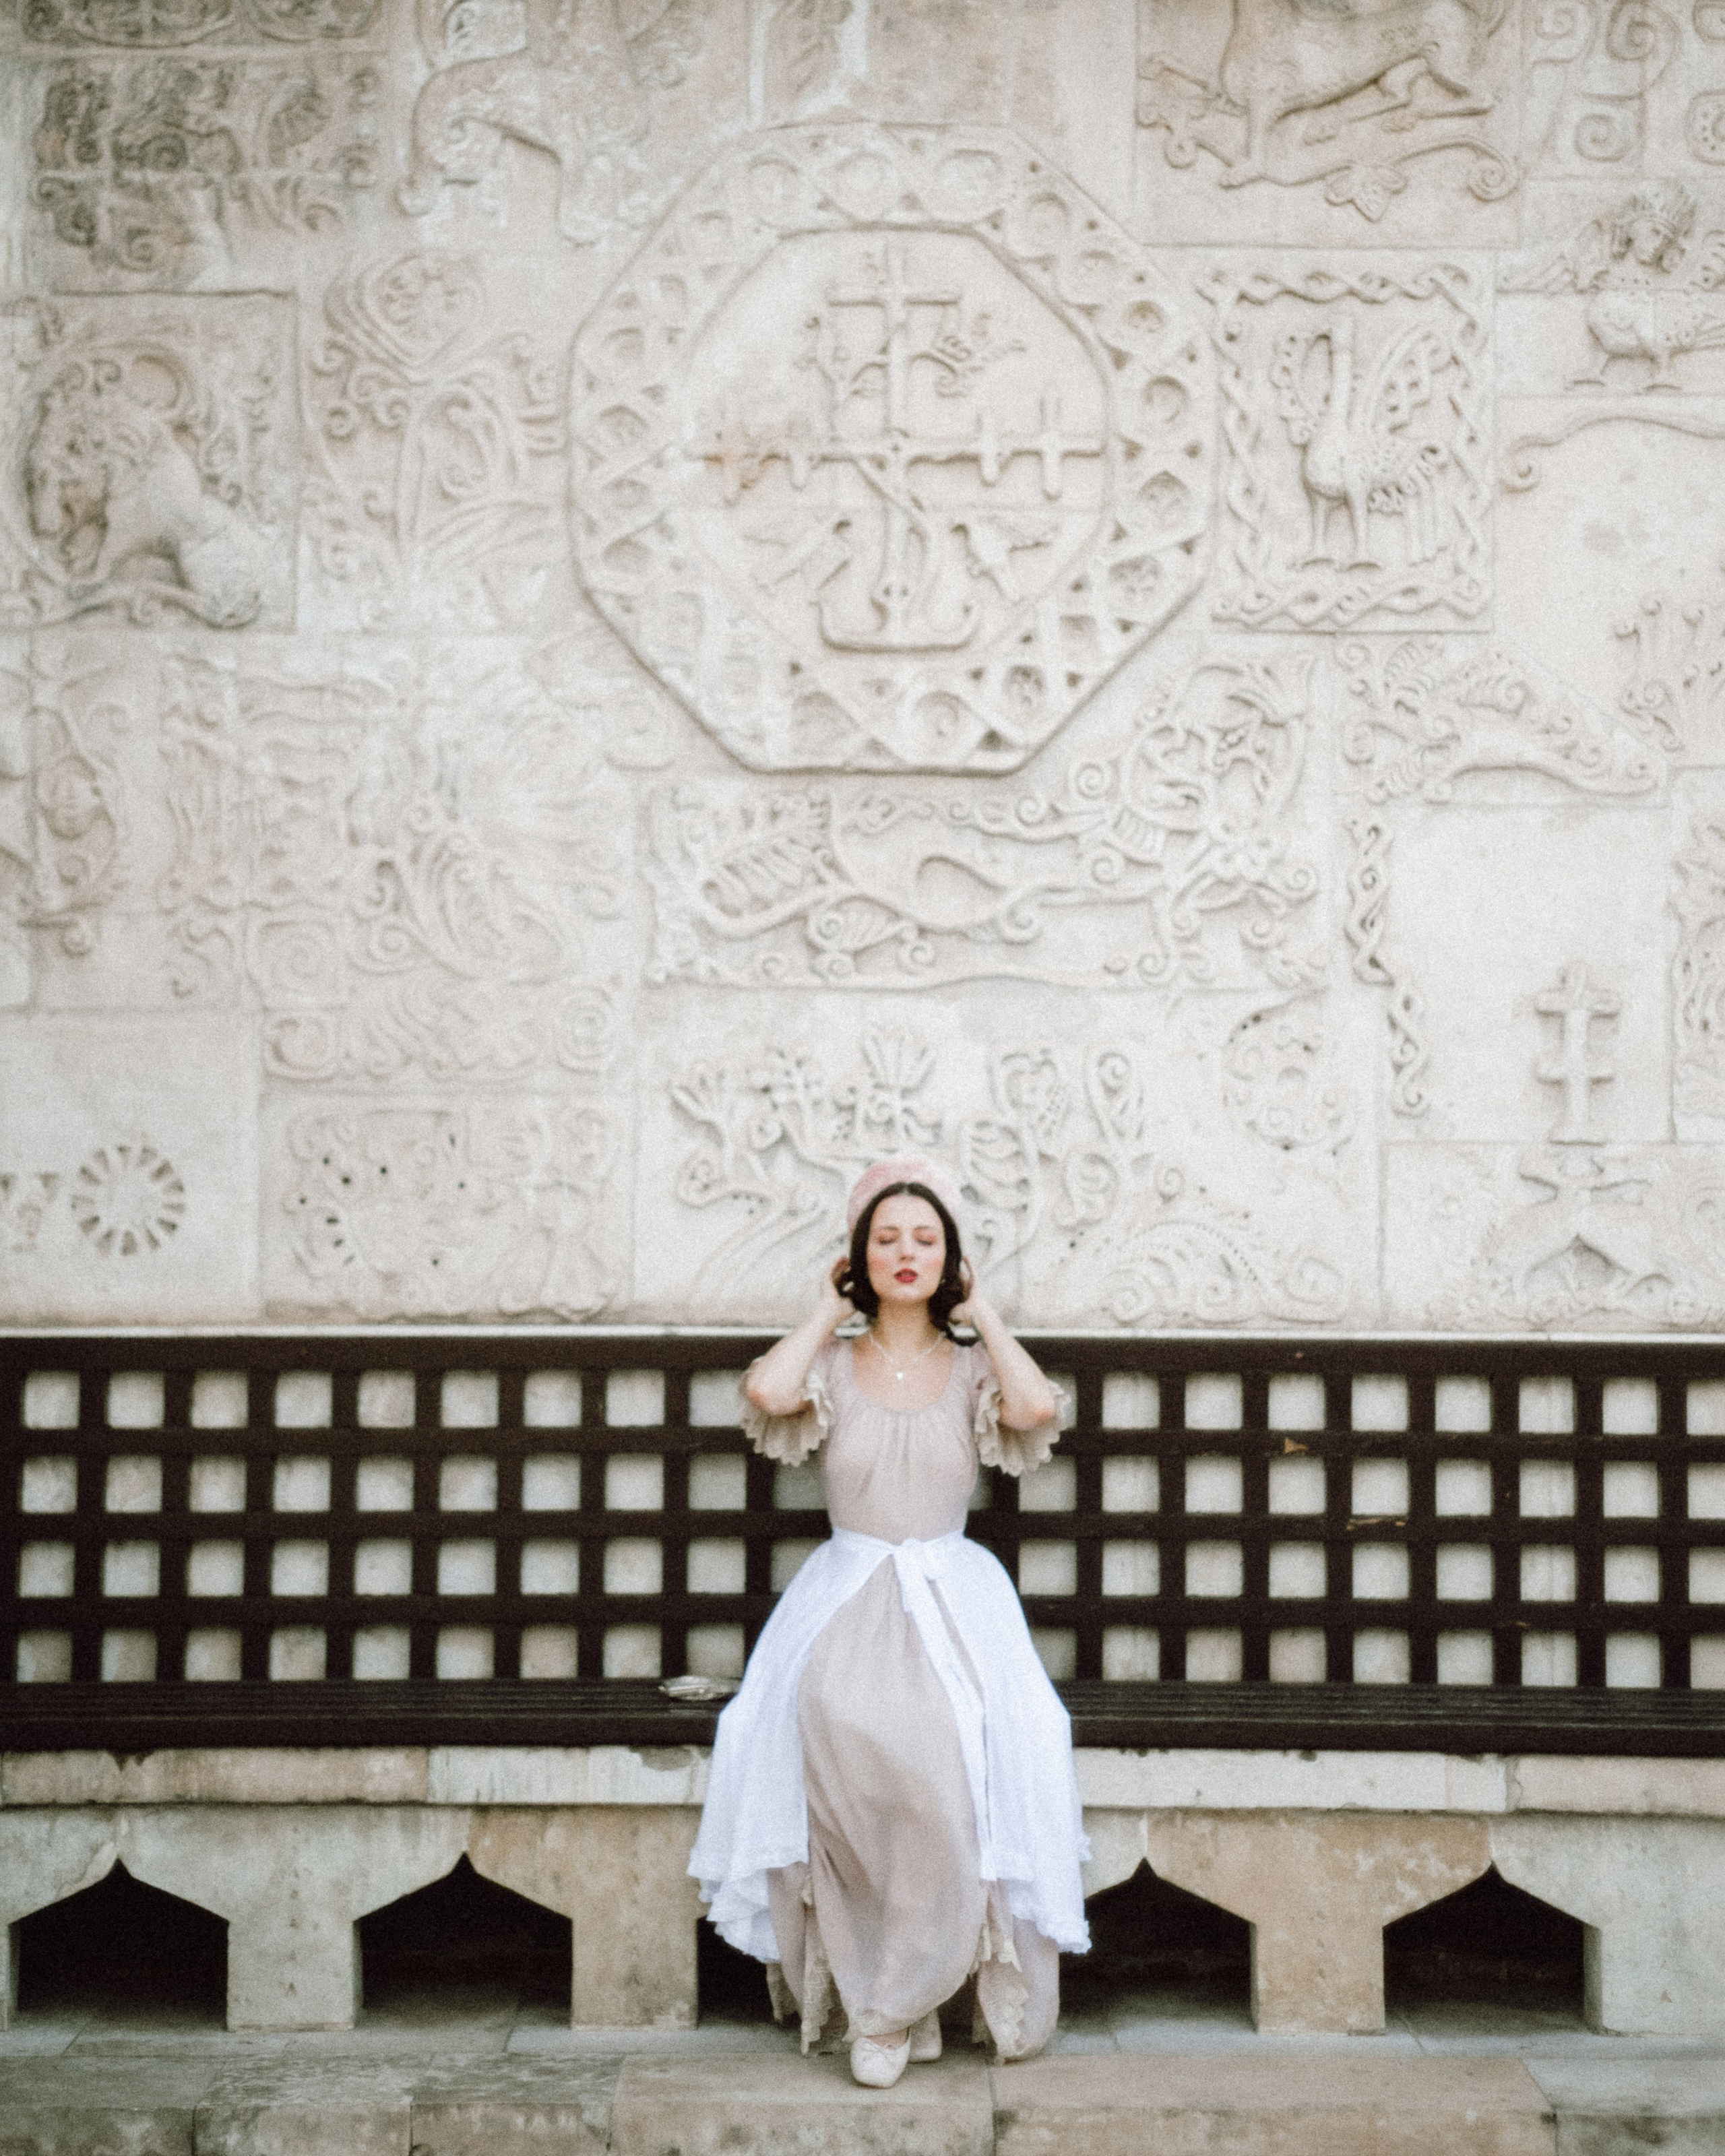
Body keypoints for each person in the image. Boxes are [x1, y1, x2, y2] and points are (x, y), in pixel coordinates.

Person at [689, 1154, 1090, 2089]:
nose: (904, 1253)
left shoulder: (965, 1371)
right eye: (884, 1239)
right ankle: (888, 1997)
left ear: (949, 1257)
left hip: (953, 1596)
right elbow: (766, 1394)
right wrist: (832, 1307)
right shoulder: (832, 1361)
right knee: (835, 1727)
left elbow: (1034, 1406)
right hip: (848, 1591)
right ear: (858, 1256)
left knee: (961, 1748)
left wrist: (981, 1312)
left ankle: (906, 2000)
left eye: (924, 1239)